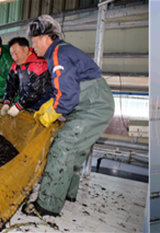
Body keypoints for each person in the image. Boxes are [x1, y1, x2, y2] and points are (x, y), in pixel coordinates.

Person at [24, 14, 115, 216]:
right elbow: (66, 88)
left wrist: (49, 115)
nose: (33, 46)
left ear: (47, 37)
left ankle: (47, 205)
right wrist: (49, 106)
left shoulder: (58, 55)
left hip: (93, 105)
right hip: (93, 102)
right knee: (75, 149)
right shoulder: (60, 53)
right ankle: (67, 193)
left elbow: (66, 98)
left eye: (35, 40)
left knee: (63, 146)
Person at [0, 37, 53, 117]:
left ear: (25, 49)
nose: (14, 57)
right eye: (12, 55)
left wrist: (19, 106)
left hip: (44, 108)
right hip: (27, 106)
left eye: (16, 53)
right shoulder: (15, 66)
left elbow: (36, 91)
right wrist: (7, 102)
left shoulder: (38, 63)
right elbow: (11, 85)